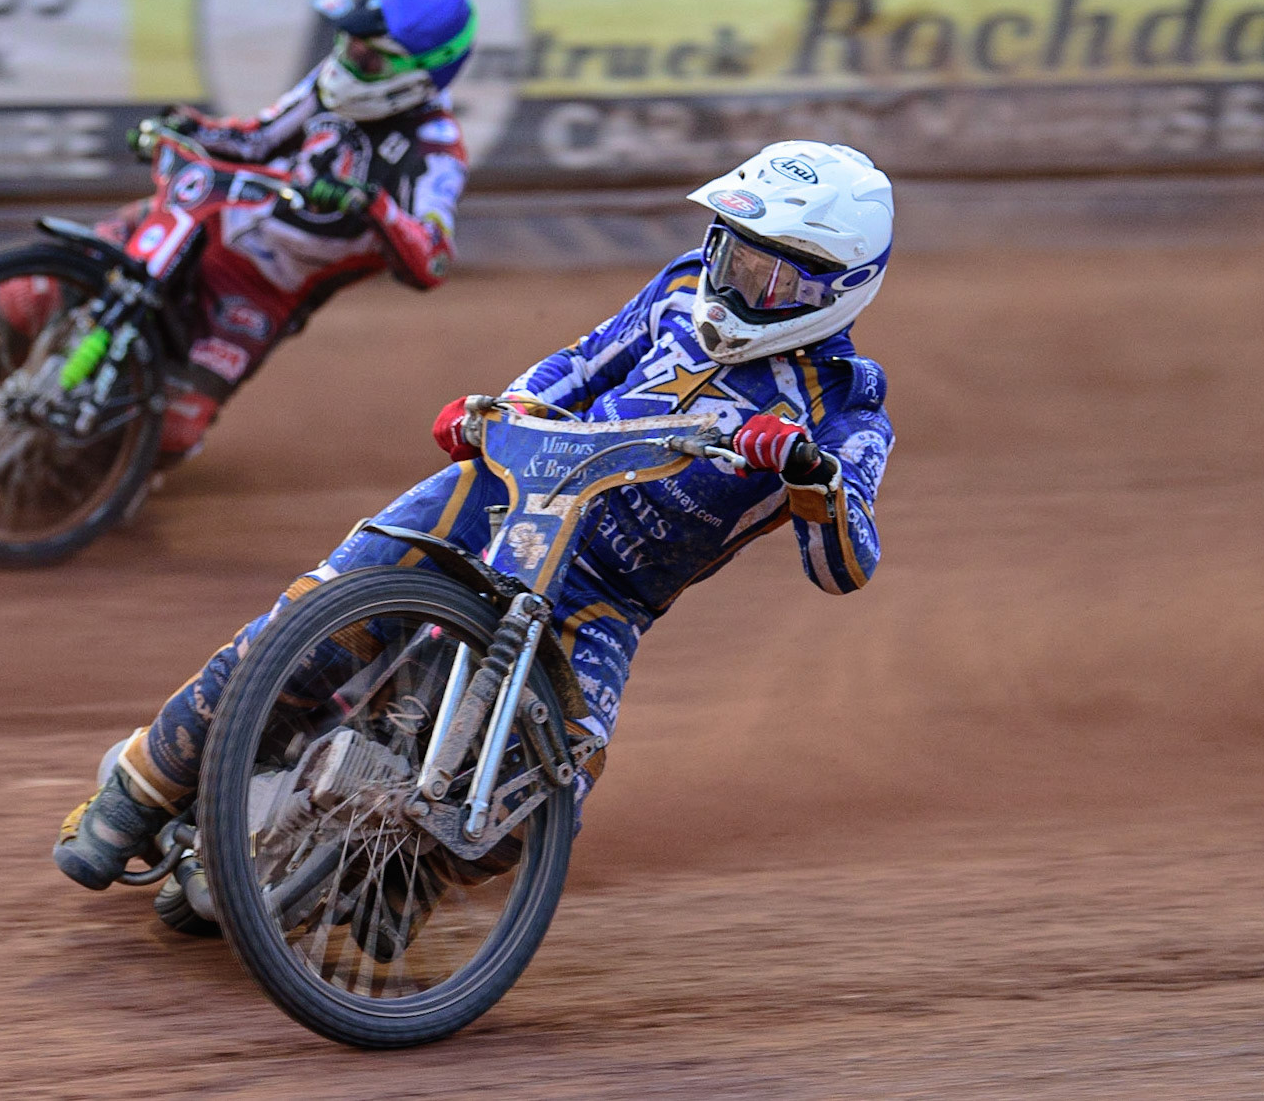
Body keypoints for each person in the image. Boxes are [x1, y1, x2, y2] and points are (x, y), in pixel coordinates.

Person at [53, 140, 897, 916]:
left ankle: (397, 878)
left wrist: (810, 476)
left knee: (561, 776)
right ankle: (138, 788)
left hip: (604, 594)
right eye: (730, 252)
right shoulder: (681, 288)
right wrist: (504, 409)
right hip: (503, 495)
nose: (735, 282)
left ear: (835, 286)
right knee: (323, 612)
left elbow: (844, 565)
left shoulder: (847, 412)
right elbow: (581, 362)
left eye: (767, 275)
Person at [0, 0, 476, 464]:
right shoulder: (332, 82)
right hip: (205, 216)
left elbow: (431, 259)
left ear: (423, 71)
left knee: (172, 430)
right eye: (348, 44)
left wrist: (372, 205)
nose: (348, 62)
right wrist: (187, 126)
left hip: (259, 292)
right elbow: (256, 138)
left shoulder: (436, 151)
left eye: (369, 58)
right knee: (26, 296)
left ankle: (75, 496)